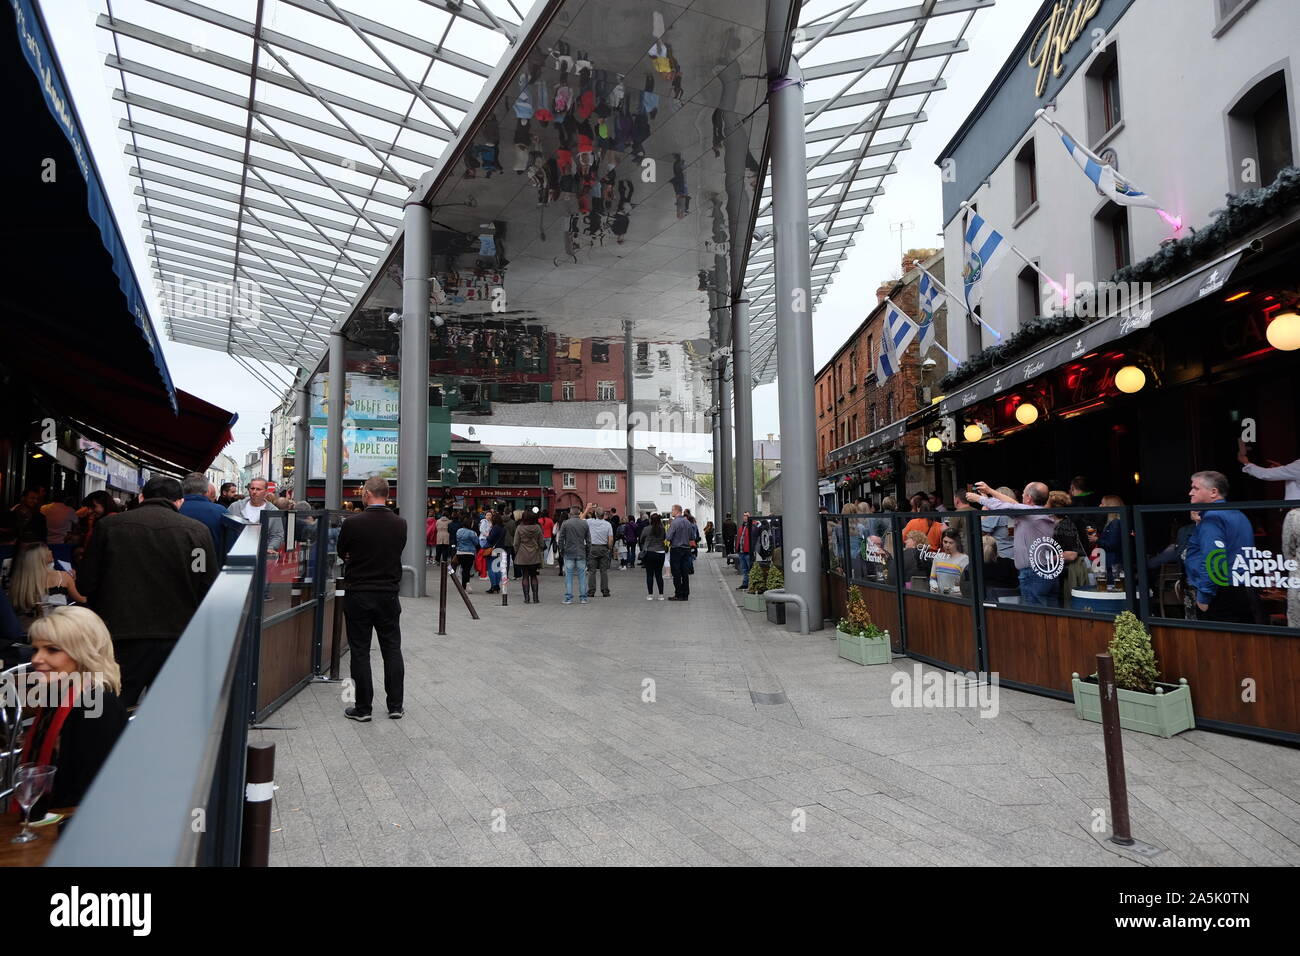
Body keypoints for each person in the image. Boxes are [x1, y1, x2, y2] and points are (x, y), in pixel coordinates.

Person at [77, 475, 218, 707]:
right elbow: (204, 582)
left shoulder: (109, 527)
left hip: (119, 634)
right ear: (180, 501)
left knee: (114, 707)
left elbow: (86, 583)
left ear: (142, 497)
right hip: (176, 633)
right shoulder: (196, 532)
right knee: (167, 710)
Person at [21, 607, 129, 813]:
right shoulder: (59, 695)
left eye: (52, 650)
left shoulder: (97, 705)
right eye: (35, 649)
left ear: (83, 654)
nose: (36, 659)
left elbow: (93, 794)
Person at [336, 476, 406, 721]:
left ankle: (363, 708)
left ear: (366, 493)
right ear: (387, 494)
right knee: (392, 649)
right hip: (388, 593)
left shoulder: (353, 524)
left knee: (360, 650)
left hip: (359, 592)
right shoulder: (400, 524)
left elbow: (341, 551)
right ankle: (395, 705)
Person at [967, 480, 1058, 607]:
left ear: (1029, 498)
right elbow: (1013, 504)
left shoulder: (1029, 513)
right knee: (1051, 615)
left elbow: (1009, 506)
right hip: (1047, 571)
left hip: (1033, 573)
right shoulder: (1041, 513)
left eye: (1023, 494)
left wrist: (979, 499)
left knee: (1035, 616)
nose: (1021, 496)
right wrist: (990, 491)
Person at [1184, 470, 1257, 624]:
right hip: (1243, 588)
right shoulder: (1237, 514)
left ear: (1213, 492)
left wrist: (1204, 597)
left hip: (1221, 593)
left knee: (1219, 645)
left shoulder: (1213, 517)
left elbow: (1213, 559)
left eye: (1196, 488)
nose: (1190, 493)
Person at [8, 542, 86, 622]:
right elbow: (81, 600)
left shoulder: (19, 582)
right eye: (48, 550)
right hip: (57, 624)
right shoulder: (63, 577)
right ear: (41, 557)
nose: (51, 551)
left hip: (28, 626)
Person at [225, 479, 284, 557]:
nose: (254, 492)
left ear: (266, 492)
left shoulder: (273, 511)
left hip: (260, 557)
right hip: (235, 555)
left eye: (258, 489)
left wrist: (270, 548)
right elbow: (224, 529)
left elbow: (277, 535)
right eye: (252, 488)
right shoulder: (235, 507)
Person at [1048, 490, 1089, 604]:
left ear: (1052, 507)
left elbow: (1071, 554)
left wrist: (1046, 559)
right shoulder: (1056, 524)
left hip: (1068, 573)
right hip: (1059, 572)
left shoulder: (1065, 525)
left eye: (1046, 503)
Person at [179, 472, 230, 557]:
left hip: (178, 563)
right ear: (206, 490)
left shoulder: (174, 509)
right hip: (211, 563)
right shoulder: (221, 511)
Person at [558, 505, 591, 605]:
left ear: (570, 513)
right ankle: (583, 598)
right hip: (581, 552)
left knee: (569, 576)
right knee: (582, 576)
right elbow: (588, 540)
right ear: (579, 513)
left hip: (569, 552)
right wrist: (588, 552)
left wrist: (561, 550)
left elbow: (561, 539)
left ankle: (568, 598)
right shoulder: (584, 523)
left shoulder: (565, 523)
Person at [666, 504, 696, 601]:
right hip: (686, 549)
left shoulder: (674, 523)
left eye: (672, 510)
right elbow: (692, 536)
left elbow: (669, 537)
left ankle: (678, 593)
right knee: (685, 572)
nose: (671, 512)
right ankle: (685, 594)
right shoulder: (687, 522)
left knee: (676, 572)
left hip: (676, 549)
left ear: (677, 511)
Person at [513, 510, 544, 604]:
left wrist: (516, 552)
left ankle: (526, 598)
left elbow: (515, 543)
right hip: (534, 553)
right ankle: (536, 598)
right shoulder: (537, 528)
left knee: (525, 576)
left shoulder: (519, 528)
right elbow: (541, 543)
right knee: (534, 576)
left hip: (522, 554)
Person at [929, 528, 969, 595]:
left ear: (957, 543)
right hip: (939, 598)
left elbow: (967, 584)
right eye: (945, 542)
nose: (947, 545)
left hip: (957, 600)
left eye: (951, 543)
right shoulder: (938, 557)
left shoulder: (964, 559)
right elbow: (932, 578)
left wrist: (959, 590)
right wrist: (933, 585)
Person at [584, 505, 614, 598]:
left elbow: (580, 519)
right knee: (603, 571)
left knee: (592, 571)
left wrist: (587, 509)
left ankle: (591, 591)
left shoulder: (590, 522)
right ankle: (605, 591)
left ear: (595, 514)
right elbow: (610, 539)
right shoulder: (608, 524)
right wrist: (609, 548)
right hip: (603, 548)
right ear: (604, 515)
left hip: (592, 547)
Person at [639, 512, 667, 600]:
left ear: (651, 520)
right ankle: (661, 595)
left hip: (650, 552)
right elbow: (664, 538)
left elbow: (641, 539)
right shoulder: (662, 529)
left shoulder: (646, 529)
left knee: (649, 574)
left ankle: (650, 595)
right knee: (659, 574)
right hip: (660, 552)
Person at [454, 516, 480, 591]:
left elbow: (457, 540)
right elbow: (476, 542)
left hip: (460, 552)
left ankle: (464, 585)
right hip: (469, 553)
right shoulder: (472, 533)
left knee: (463, 568)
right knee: (467, 569)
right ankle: (466, 584)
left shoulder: (459, 531)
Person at [484, 513, 506, 594]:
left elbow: (490, 539)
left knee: (491, 568)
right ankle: (497, 586)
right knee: (497, 567)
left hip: (493, 550)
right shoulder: (503, 528)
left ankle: (493, 585)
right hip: (501, 549)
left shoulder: (495, 528)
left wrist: (487, 535)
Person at [735, 511, 754, 590]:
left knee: (750, 569)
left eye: (747, 515)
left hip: (748, 552)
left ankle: (750, 584)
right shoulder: (742, 527)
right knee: (745, 569)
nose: (745, 517)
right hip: (742, 552)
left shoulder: (752, 526)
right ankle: (745, 584)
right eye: (744, 515)